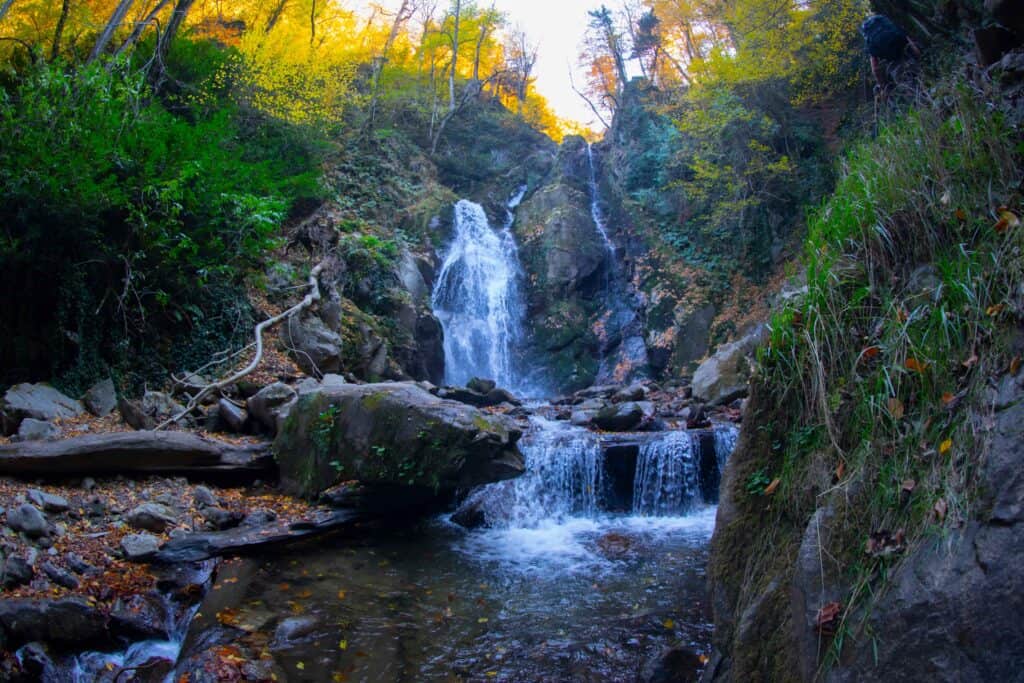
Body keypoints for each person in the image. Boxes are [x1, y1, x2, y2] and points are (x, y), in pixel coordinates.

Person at [860, 14, 922, 92]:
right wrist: (919, 57)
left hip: (895, 67)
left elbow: (875, 69)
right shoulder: (891, 28)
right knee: (922, 79)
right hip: (908, 56)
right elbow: (910, 43)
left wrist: (883, 85)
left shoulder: (871, 41)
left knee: (909, 89)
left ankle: (919, 99)